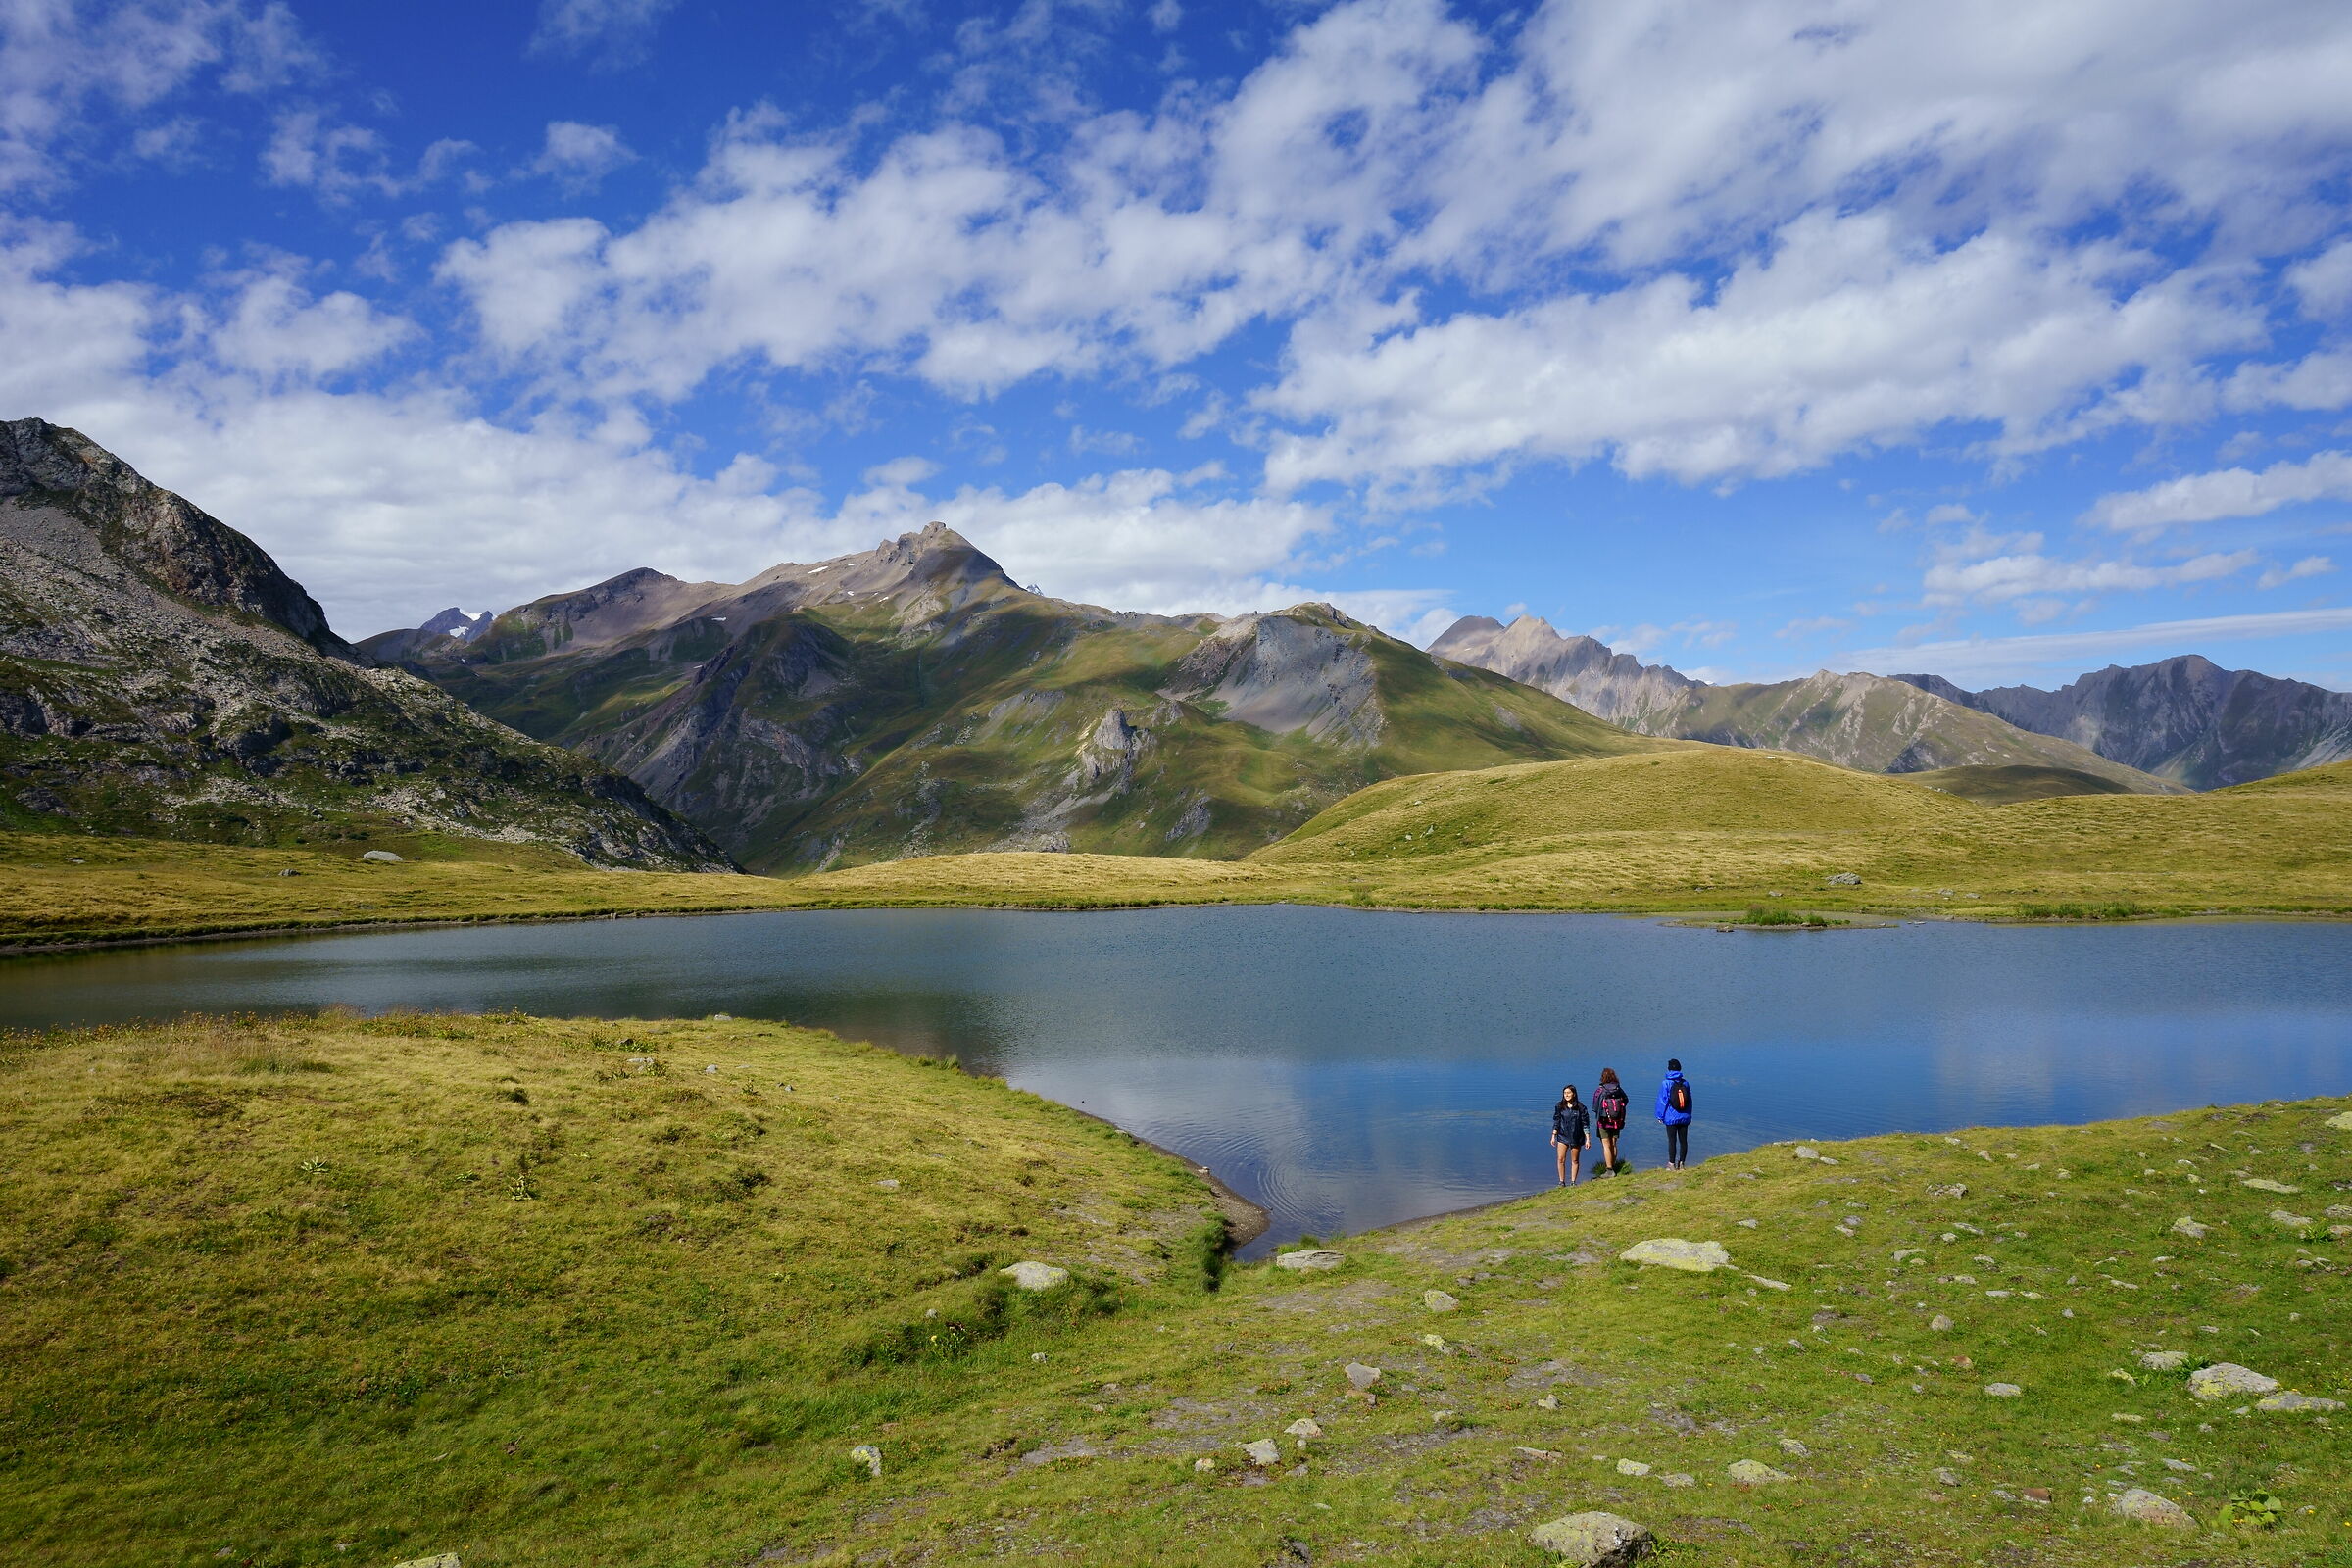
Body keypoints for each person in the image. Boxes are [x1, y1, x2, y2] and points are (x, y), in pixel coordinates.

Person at [1655, 1058, 1693, 1170]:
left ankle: (1671, 1164)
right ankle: (1681, 1163)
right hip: (1684, 1117)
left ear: (1669, 1069)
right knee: (1683, 1141)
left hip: (1671, 1118)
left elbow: (1662, 1101)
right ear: (1679, 1069)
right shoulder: (1685, 1082)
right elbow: (1690, 1101)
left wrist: (1660, 1116)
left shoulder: (1666, 1083)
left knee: (1672, 1141)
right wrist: (1689, 1115)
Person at [1549, 1083, 1591, 1185]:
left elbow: (1585, 1124)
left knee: (1575, 1160)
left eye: (1568, 1092)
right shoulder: (1560, 1106)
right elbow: (1557, 1121)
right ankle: (1561, 1182)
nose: (1566, 1095)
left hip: (1576, 1137)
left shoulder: (1581, 1108)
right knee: (1560, 1159)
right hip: (1562, 1136)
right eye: (1565, 1093)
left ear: (1574, 1094)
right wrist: (1553, 1135)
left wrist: (1587, 1139)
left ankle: (1573, 1182)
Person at [1593, 1067, 1629, 1175]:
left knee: (1606, 1145)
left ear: (1603, 1077)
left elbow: (1595, 1107)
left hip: (1603, 1121)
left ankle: (1609, 1170)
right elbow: (1626, 1100)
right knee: (1613, 1144)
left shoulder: (1600, 1090)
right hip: (1617, 1121)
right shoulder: (1618, 1089)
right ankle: (1613, 1167)